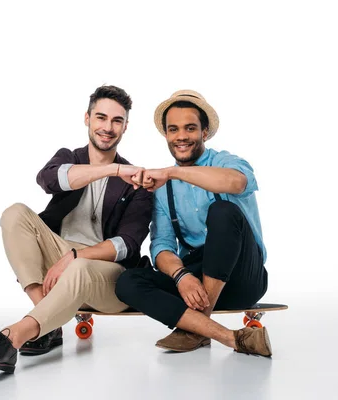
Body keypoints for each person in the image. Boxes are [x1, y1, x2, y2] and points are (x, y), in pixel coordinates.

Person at [0, 85, 153, 373]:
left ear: (125, 127)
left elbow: (128, 244)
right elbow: (50, 180)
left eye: (117, 121)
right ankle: (48, 325)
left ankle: (13, 337)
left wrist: (75, 256)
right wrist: (111, 169)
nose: (108, 127)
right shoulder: (69, 158)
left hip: (105, 275)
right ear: (87, 118)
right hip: (59, 261)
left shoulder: (137, 181)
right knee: (14, 214)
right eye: (101, 118)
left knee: (80, 267)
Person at [115, 90, 272, 357]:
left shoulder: (225, 161)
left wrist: (173, 172)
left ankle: (196, 328)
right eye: (173, 129)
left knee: (223, 211)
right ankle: (232, 338)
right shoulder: (164, 191)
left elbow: (237, 183)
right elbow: (162, 245)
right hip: (195, 284)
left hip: (243, 277)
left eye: (190, 128)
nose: (181, 136)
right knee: (127, 282)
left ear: (205, 132)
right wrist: (181, 276)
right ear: (166, 134)